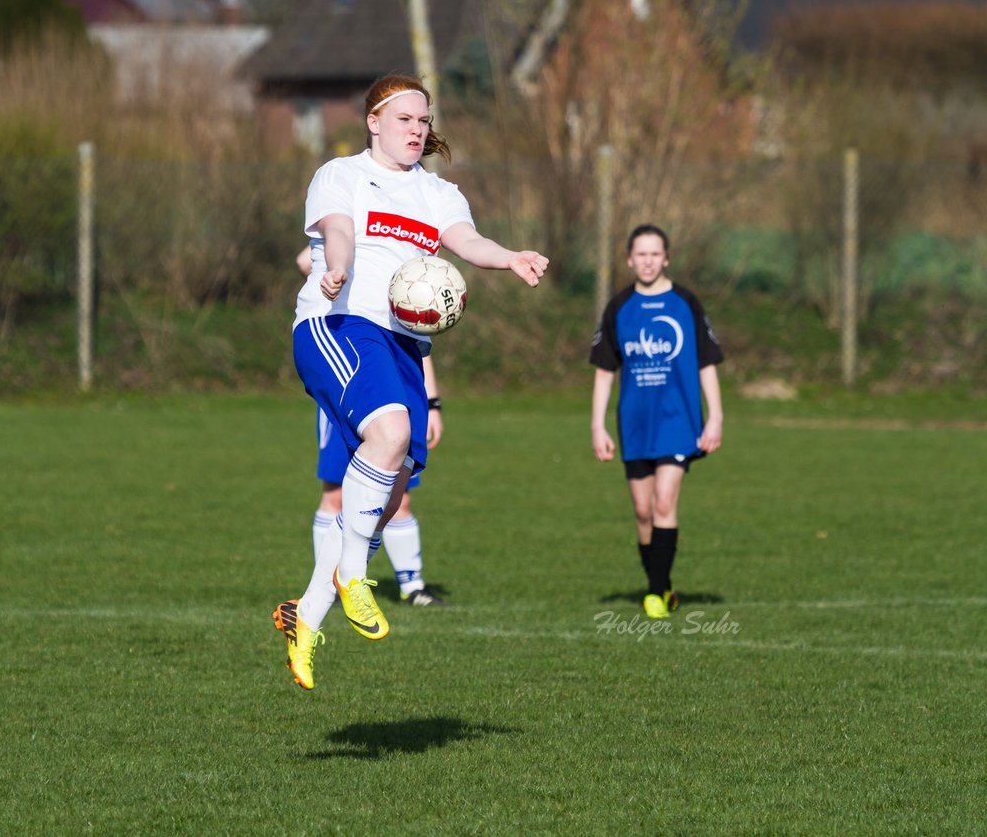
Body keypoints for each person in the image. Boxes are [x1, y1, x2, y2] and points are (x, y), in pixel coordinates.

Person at [273, 73, 549, 690]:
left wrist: (507, 258)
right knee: (391, 432)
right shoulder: (338, 174)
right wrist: (338, 264)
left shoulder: (439, 192)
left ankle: (306, 616)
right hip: (338, 322)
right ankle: (351, 575)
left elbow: (463, 240)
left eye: (423, 121)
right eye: (404, 119)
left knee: (390, 493)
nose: (417, 130)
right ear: (374, 121)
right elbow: (339, 228)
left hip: (402, 347)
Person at [298, 245, 447, 607]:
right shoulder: (352, 222)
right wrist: (340, 264)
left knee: (397, 494)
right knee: (334, 492)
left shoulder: (412, 259)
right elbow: (305, 260)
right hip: (351, 379)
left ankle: (411, 585)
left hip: (396, 381)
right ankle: (328, 586)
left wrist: (432, 402)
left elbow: (419, 344)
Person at [589, 224, 724, 620]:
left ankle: (652, 594)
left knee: (665, 501)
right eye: (640, 254)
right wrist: (598, 425)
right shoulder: (619, 307)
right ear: (630, 259)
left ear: (666, 258)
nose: (648, 261)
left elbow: (707, 362)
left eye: (655, 254)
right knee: (643, 511)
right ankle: (663, 585)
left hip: (679, 420)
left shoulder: (685, 303)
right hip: (635, 423)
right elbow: (604, 370)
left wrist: (715, 416)